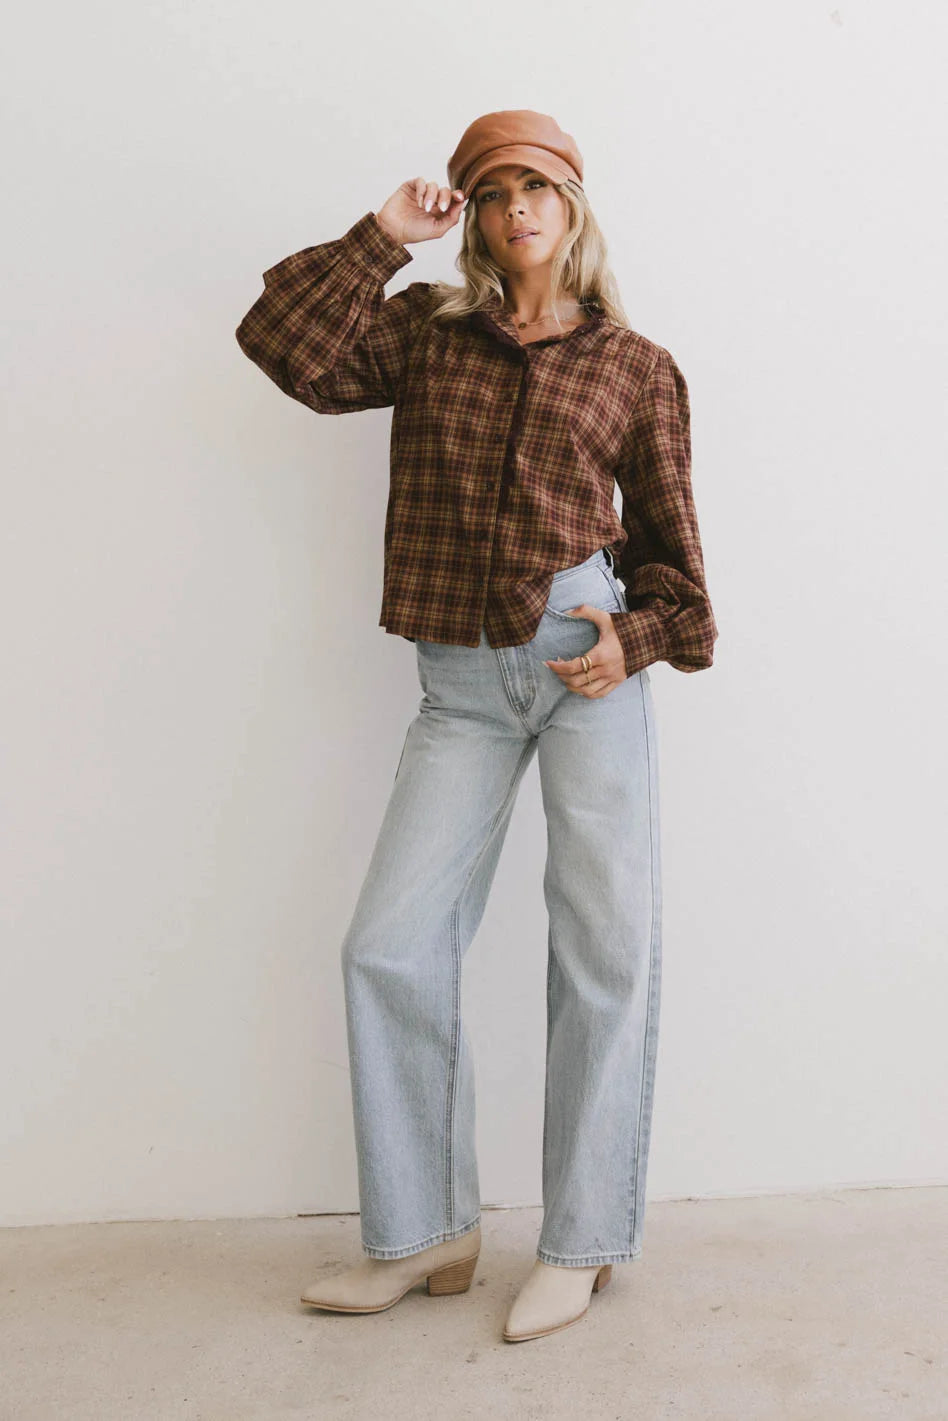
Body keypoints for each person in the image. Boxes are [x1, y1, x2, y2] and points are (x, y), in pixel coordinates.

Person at [235, 109, 718, 1343]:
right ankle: (425, 1232)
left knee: (602, 950)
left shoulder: (635, 365)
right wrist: (382, 235)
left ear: (573, 204)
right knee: (389, 945)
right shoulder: (425, 333)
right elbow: (285, 348)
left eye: (536, 186)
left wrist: (634, 640)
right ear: (474, 216)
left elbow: (677, 560)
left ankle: (583, 1242)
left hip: (583, 662)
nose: (516, 208)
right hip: (459, 679)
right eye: (492, 191)